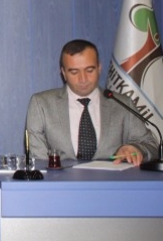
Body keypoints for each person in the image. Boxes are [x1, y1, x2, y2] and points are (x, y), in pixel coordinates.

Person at [26, 39, 158, 165]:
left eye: (89, 70)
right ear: (63, 73)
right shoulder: (42, 104)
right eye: (74, 72)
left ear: (99, 68)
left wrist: (136, 149)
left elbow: (151, 146)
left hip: (113, 180)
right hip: (60, 181)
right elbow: (39, 161)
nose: (83, 79)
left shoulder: (122, 104)